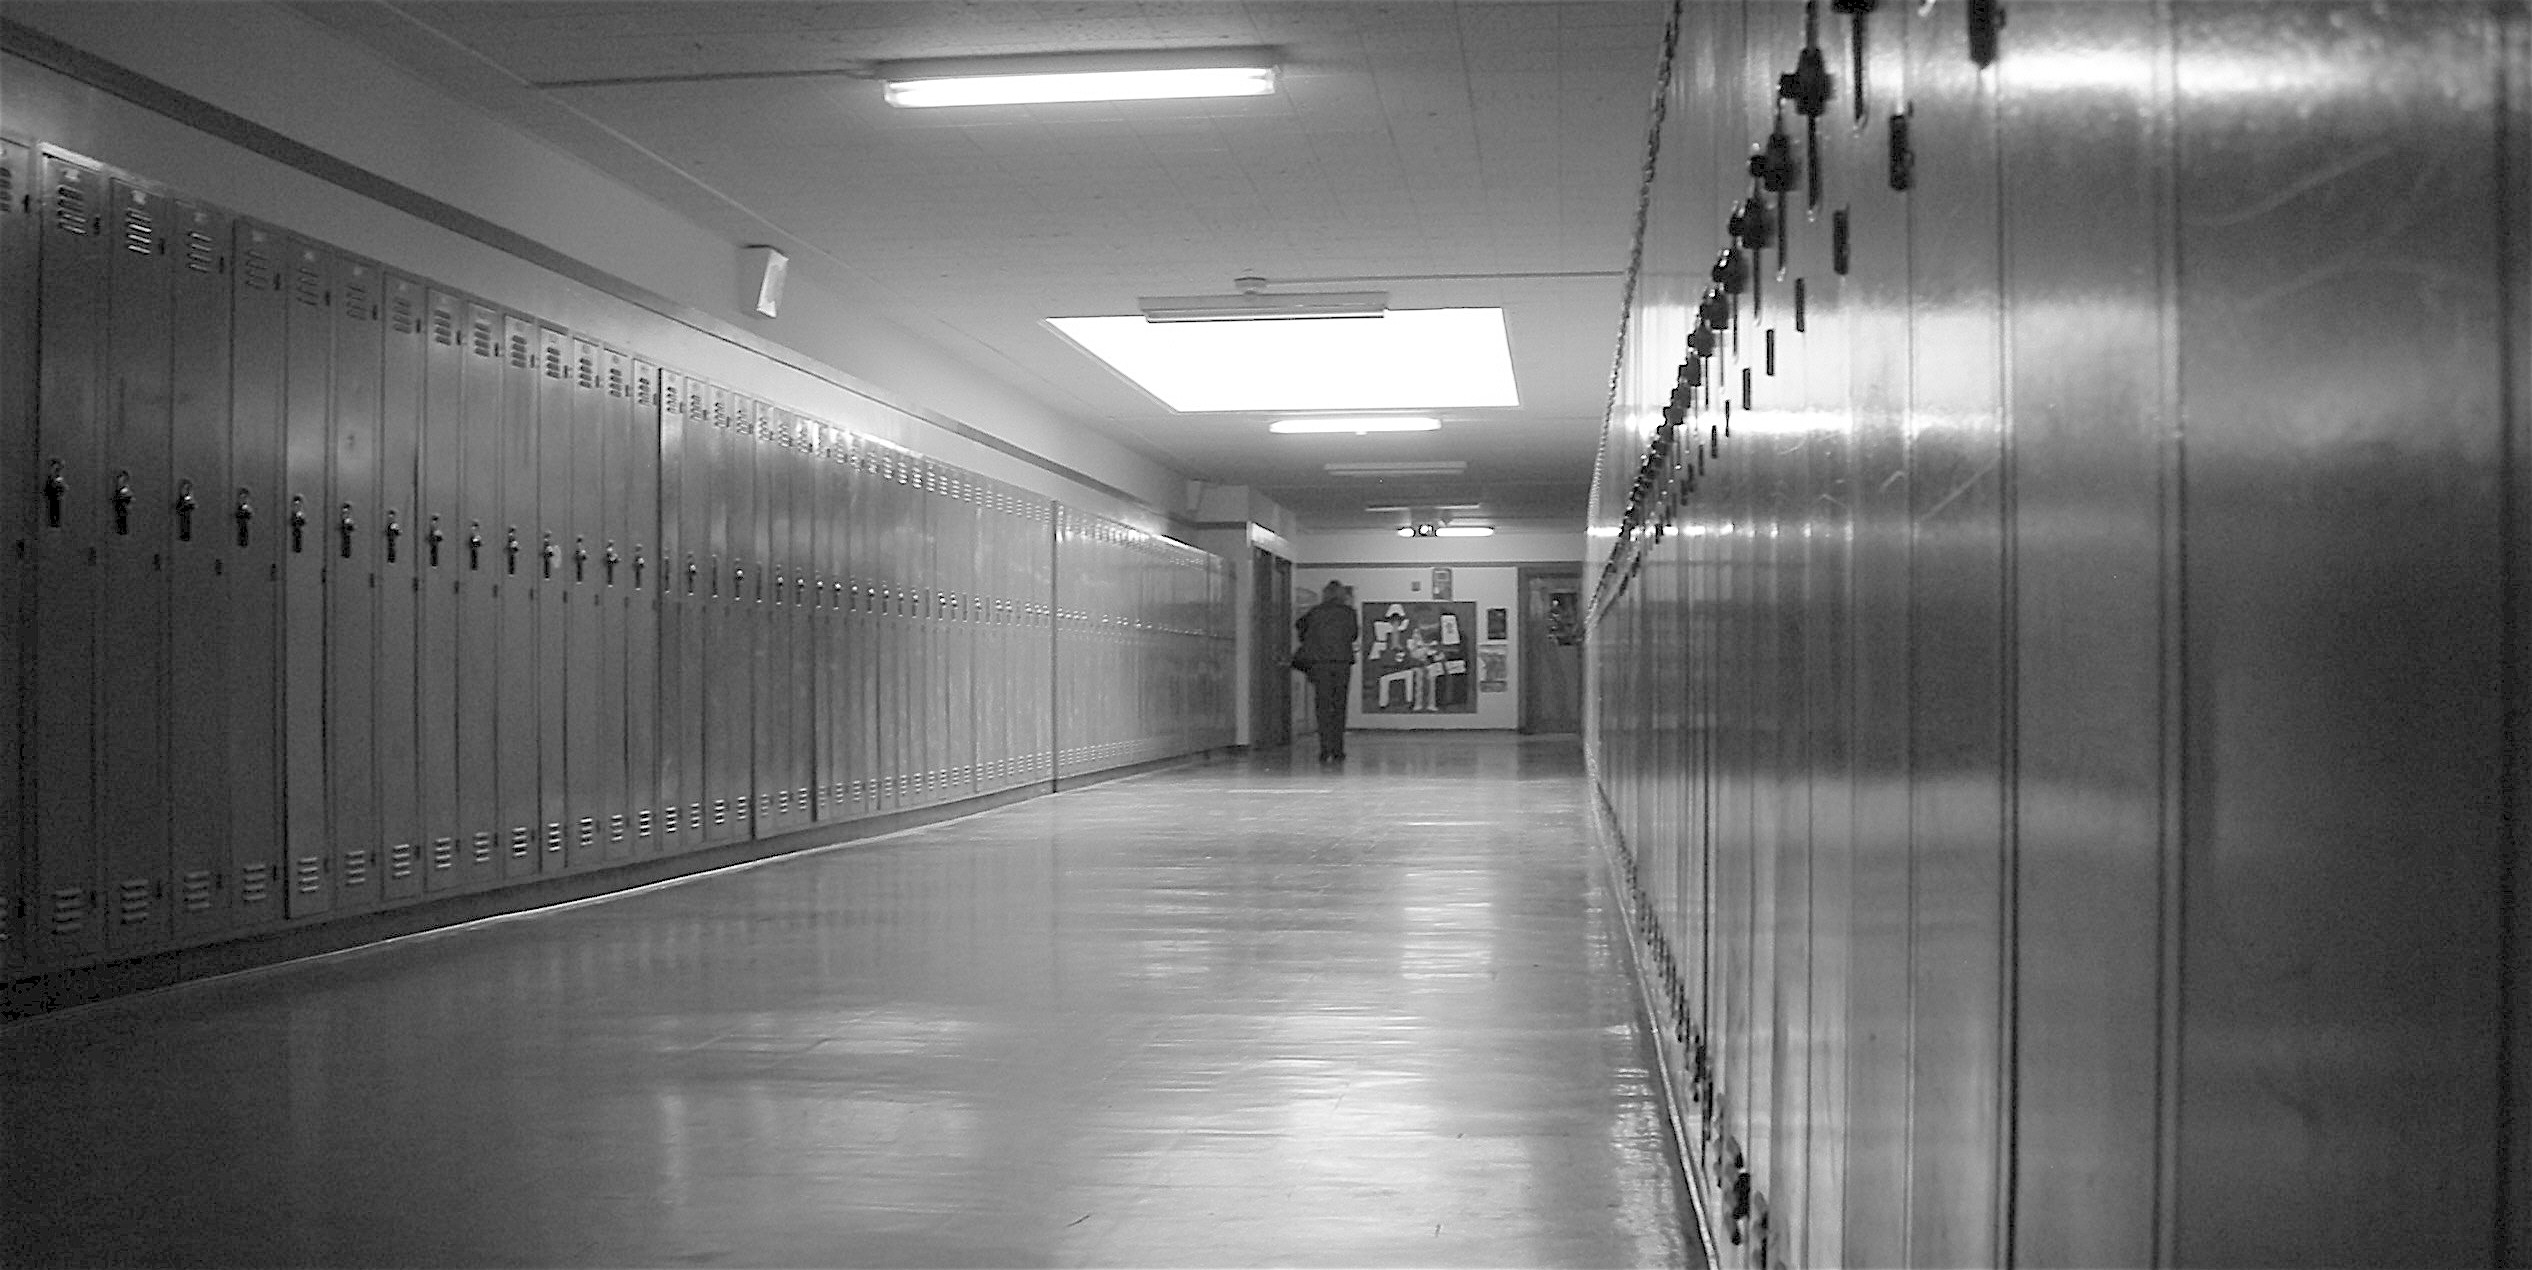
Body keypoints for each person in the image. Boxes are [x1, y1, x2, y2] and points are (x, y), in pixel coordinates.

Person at [1292, 580, 1360, 762]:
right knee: (1339, 706)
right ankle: (1338, 749)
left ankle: (1324, 749)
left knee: (1322, 706)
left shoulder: (1316, 612)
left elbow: (1299, 625)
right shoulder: (1349, 613)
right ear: (1342, 595)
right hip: (1342, 663)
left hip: (1320, 664)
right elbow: (1354, 635)